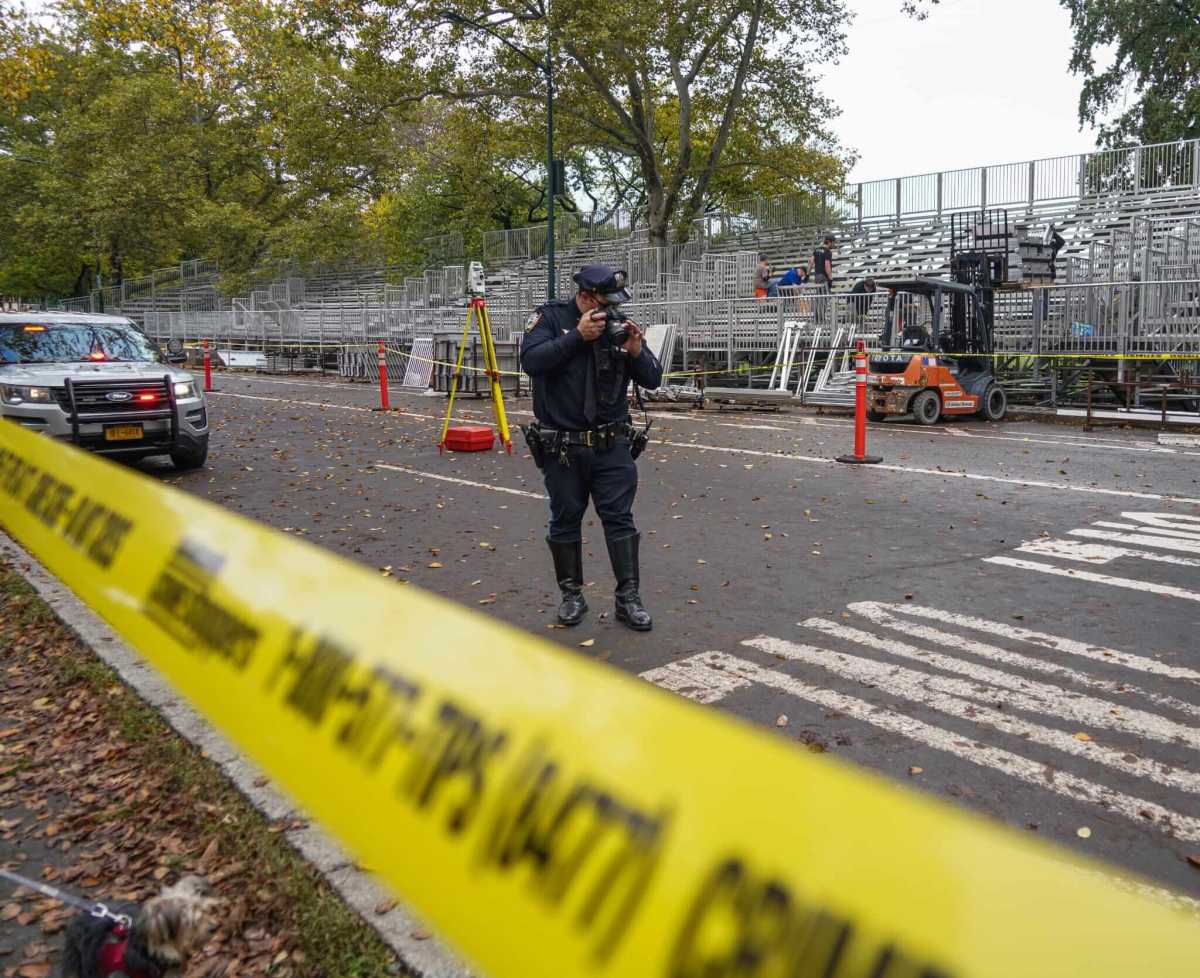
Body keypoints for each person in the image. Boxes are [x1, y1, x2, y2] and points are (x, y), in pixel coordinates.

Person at [520, 264, 664, 632]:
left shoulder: (618, 325)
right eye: (604, 304)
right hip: (563, 447)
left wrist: (636, 351)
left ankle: (628, 598)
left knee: (620, 518)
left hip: (611, 444)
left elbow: (653, 378)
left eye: (614, 304)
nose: (611, 311)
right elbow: (531, 362)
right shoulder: (551, 318)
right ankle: (572, 596)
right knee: (565, 518)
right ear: (584, 297)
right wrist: (576, 338)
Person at [812, 235, 835, 322]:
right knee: (825, 297)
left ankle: (817, 317)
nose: (834, 244)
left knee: (819, 297)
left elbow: (811, 262)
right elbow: (827, 265)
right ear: (829, 242)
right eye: (833, 242)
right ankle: (821, 318)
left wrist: (807, 274)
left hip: (817, 276)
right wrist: (830, 279)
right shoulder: (827, 251)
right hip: (823, 277)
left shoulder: (817, 250)